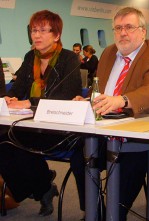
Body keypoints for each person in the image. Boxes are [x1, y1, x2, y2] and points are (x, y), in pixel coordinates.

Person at [71, 7, 149, 221]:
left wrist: (122, 100)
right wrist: (87, 101)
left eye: (129, 27)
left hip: (138, 136)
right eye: (118, 28)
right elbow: (99, 90)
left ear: (143, 32)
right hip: (103, 131)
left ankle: (114, 214)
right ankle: (94, 212)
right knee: (79, 158)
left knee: (129, 164)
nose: (123, 33)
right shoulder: (108, 53)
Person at [0, 10, 82, 216]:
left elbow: (64, 96)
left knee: (15, 143)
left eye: (43, 31)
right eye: (34, 30)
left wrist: (29, 101)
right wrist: (10, 97)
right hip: (29, 125)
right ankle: (44, 186)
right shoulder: (30, 57)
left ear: (56, 35)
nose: (36, 35)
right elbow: (18, 87)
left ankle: (40, 185)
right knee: (2, 142)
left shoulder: (69, 59)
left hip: (58, 130)